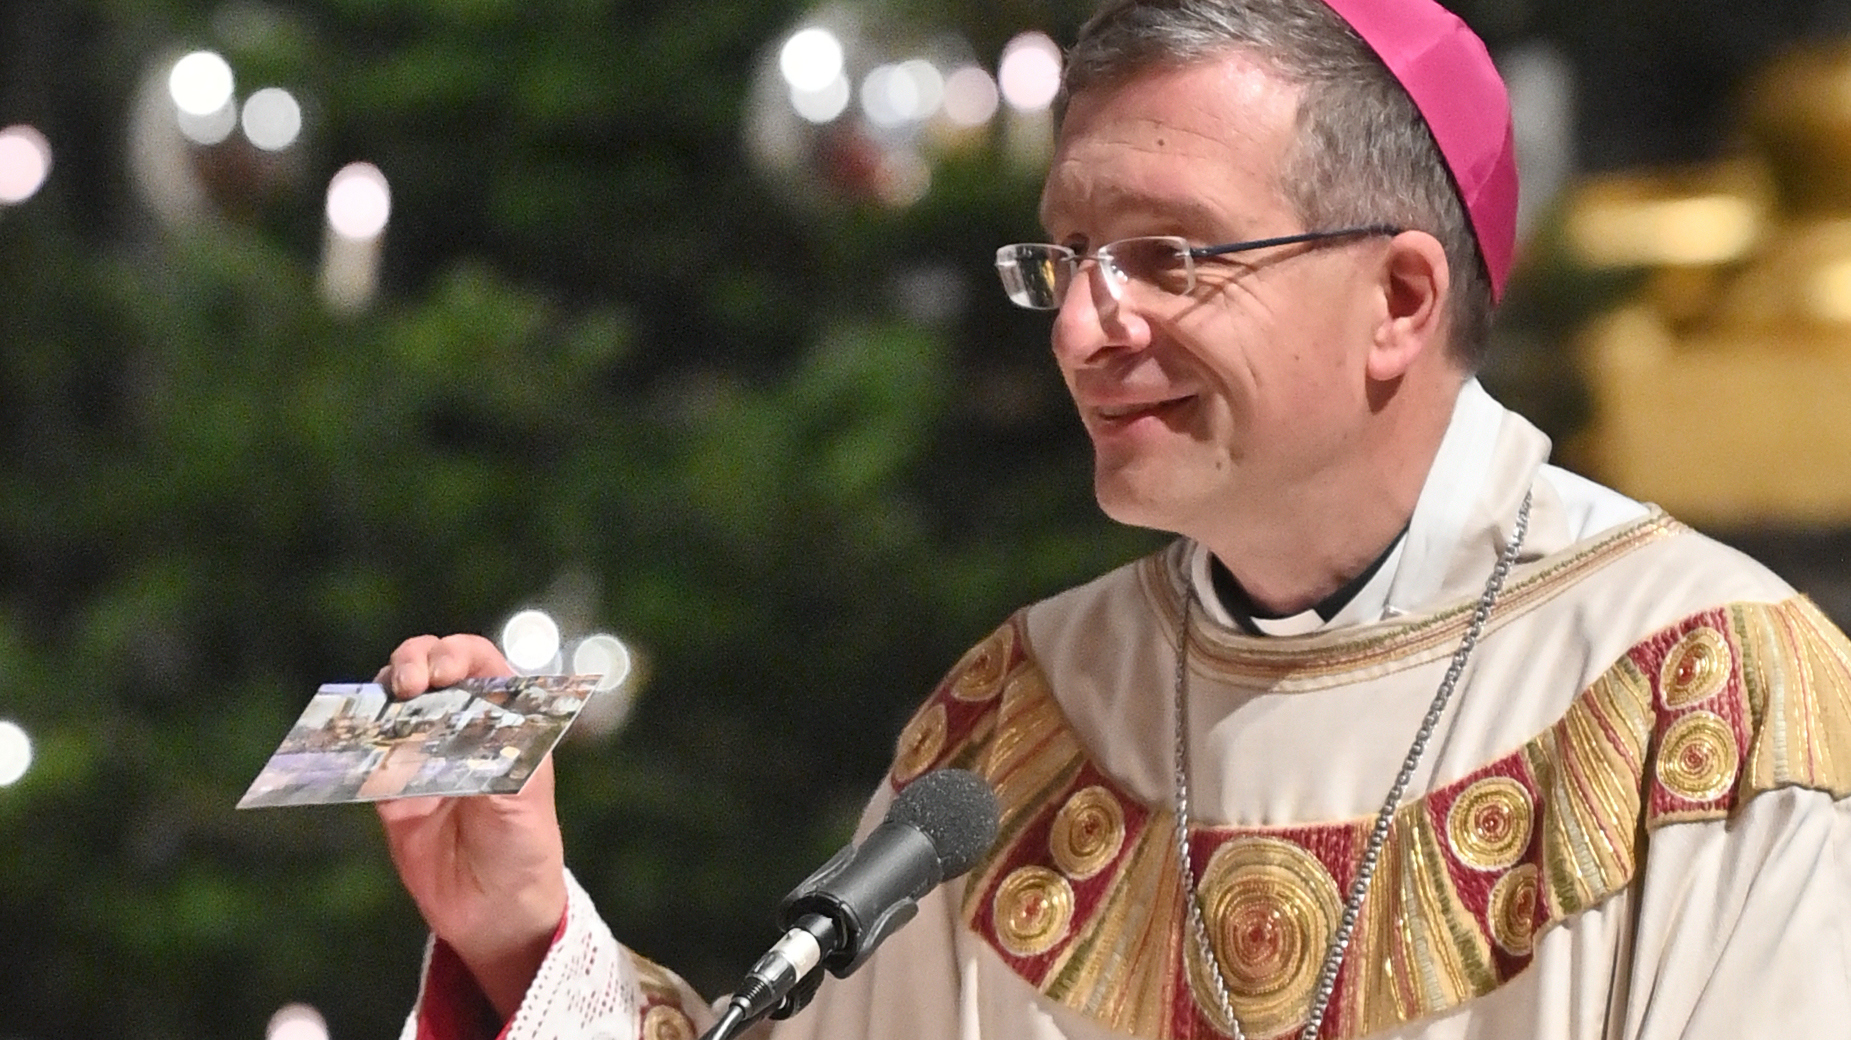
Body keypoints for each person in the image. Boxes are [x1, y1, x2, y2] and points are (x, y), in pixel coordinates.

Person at [375, 0, 1851, 1037]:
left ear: (1398, 300)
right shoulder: (1018, 731)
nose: (1085, 327)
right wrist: (520, 936)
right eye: (1068, 257)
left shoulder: (1703, 694)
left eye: (1165, 257)